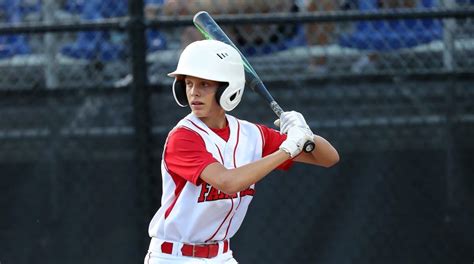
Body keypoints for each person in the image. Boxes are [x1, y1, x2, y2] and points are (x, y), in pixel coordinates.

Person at [144, 39, 339, 264]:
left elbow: (328, 158)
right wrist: (287, 149)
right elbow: (228, 182)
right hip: (174, 257)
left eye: (204, 84)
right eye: (188, 84)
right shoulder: (184, 137)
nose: (194, 93)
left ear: (228, 88)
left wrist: (305, 134)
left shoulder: (250, 134)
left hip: (222, 256)